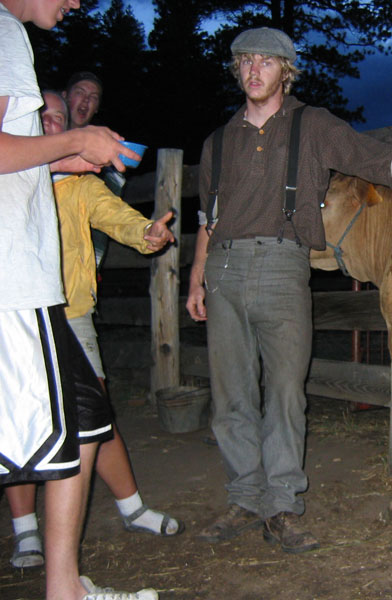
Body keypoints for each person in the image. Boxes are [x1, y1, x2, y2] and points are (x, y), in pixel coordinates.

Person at [186, 27, 392, 553]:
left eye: (267, 62)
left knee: (286, 394)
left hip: (282, 266)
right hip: (223, 271)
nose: (254, 71)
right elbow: (208, 218)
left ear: (285, 73)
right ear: (237, 69)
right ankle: (244, 498)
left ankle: (282, 506)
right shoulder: (217, 141)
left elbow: (374, 157)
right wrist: (197, 276)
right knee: (231, 397)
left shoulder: (312, 125)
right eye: (246, 61)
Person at [0, 1, 155, 599]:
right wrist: (76, 141)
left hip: (44, 299)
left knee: (85, 417)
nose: (76, 4)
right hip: (15, 290)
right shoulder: (6, 35)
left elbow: (116, 216)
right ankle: (41, 555)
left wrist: (72, 156)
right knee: (59, 425)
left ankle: (65, 587)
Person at [5, 90, 181, 573]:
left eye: (58, 118)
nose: (50, 123)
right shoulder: (11, 179)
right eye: (41, 116)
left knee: (95, 414)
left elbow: (116, 216)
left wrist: (147, 233)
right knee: (21, 422)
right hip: (15, 314)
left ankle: (133, 508)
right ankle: (25, 530)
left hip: (71, 313)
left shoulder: (79, 186)